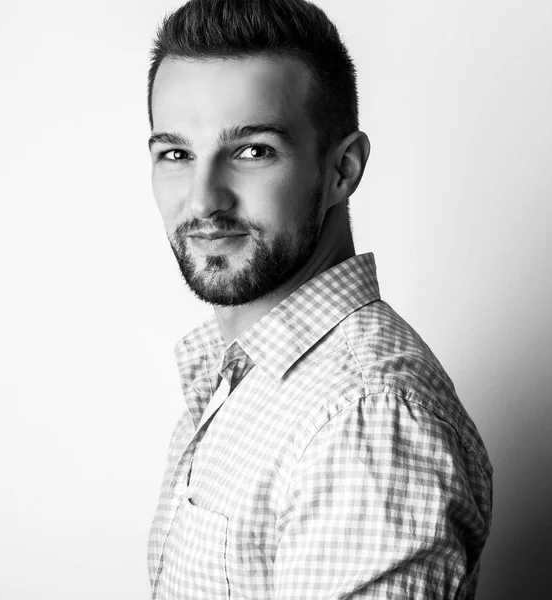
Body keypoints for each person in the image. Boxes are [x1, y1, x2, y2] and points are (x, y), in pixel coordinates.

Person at [146, 0, 492, 598]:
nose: (203, 200)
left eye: (253, 150)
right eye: (176, 154)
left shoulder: (366, 417)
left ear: (342, 169)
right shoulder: (239, 379)